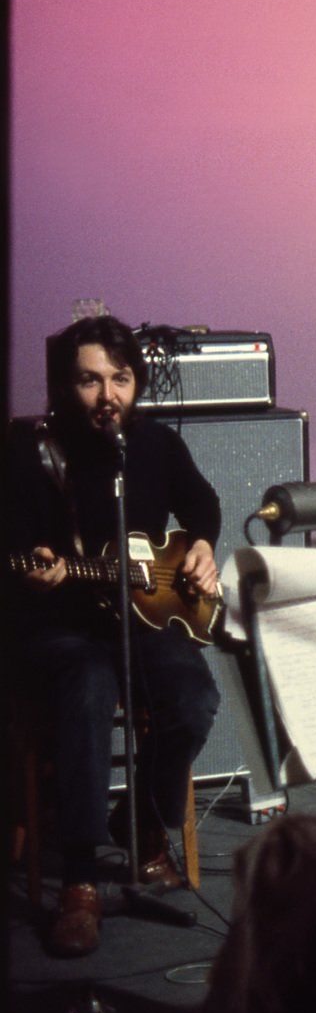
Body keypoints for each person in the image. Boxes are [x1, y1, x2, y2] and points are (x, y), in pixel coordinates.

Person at [5, 316, 222, 957]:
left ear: (137, 382)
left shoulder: (154, 444)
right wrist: (36, 563)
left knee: (194, 700)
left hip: (143, 617)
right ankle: (79, 880)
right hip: (60, 623)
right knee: (90, 685)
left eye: (120, 379)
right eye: (90, 381)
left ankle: (141, 825)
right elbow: (13, 538)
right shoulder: (30, 450)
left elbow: (202, 505)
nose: (108, 396)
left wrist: (202, 545)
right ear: (64, 387)